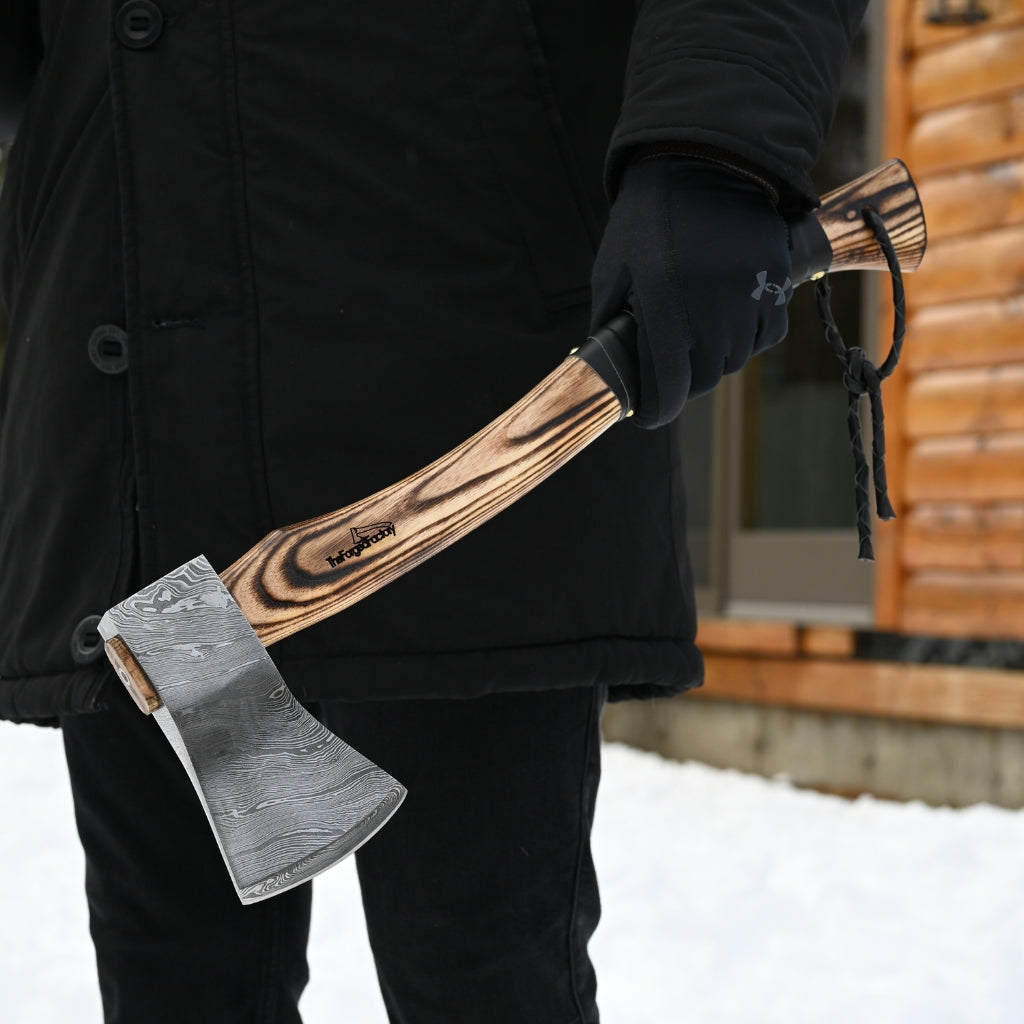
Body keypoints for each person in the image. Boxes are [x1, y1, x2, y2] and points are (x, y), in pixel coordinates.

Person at [0, 2, 869, 1021]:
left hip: (455, 407)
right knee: (174, 985)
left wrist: (714, 134)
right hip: (137, 423)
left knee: (480, 975)